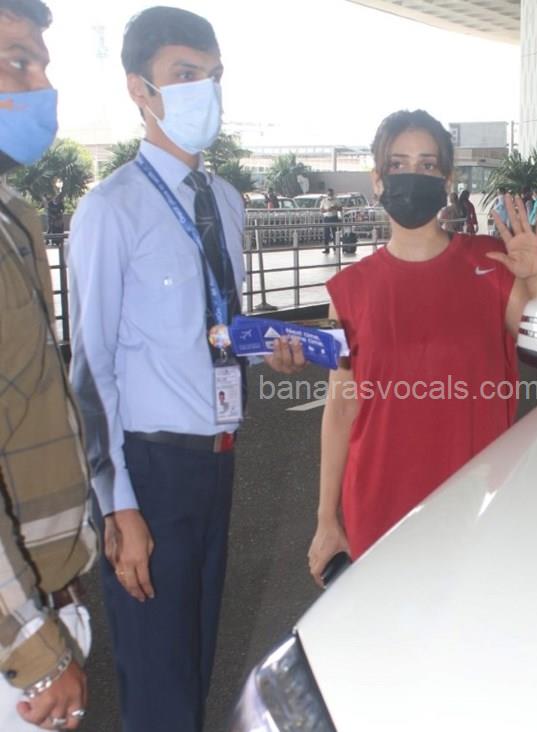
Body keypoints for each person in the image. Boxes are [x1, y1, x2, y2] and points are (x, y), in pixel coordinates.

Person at [67, 8, 304, 731]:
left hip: (219, 458)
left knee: (193, 667)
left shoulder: (224, 201)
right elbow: (90, 372)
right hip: (151, 468)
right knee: (158, 686)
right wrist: (119, 506)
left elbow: (215, 327)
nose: (206, 90)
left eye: (213, 75)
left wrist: (267, 347)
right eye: (185, 75)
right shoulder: (111, 210)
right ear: (139, 89)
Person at [307, 109, 537, 584]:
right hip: (375, 509)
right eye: (397, 165)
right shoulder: (349, 291)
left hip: (476, 505)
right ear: (377, 180)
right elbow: (341, 407)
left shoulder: (491, 264)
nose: (411, 176)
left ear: (447, 180)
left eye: (427, 165)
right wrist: (325, 520)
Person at [0, 1, 97, 729]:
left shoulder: (14, 218)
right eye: (16, 62)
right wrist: (34, 645)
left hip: (44, 602)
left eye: (41, 64)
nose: (43, 86)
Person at [320, 187, 341, 253]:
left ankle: (335, 248)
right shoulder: (324, 200)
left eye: (331, 194)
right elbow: (321, 210)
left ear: (333, 193)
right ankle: (327, 249)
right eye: (329, 194)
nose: (330, 195)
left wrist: (335, 208)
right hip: (327, 218)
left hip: (334, 217)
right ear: (327, 194)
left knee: (335, 233)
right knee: (326, 234)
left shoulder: (336, 200)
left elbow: (341, 208)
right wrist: (327, 210)